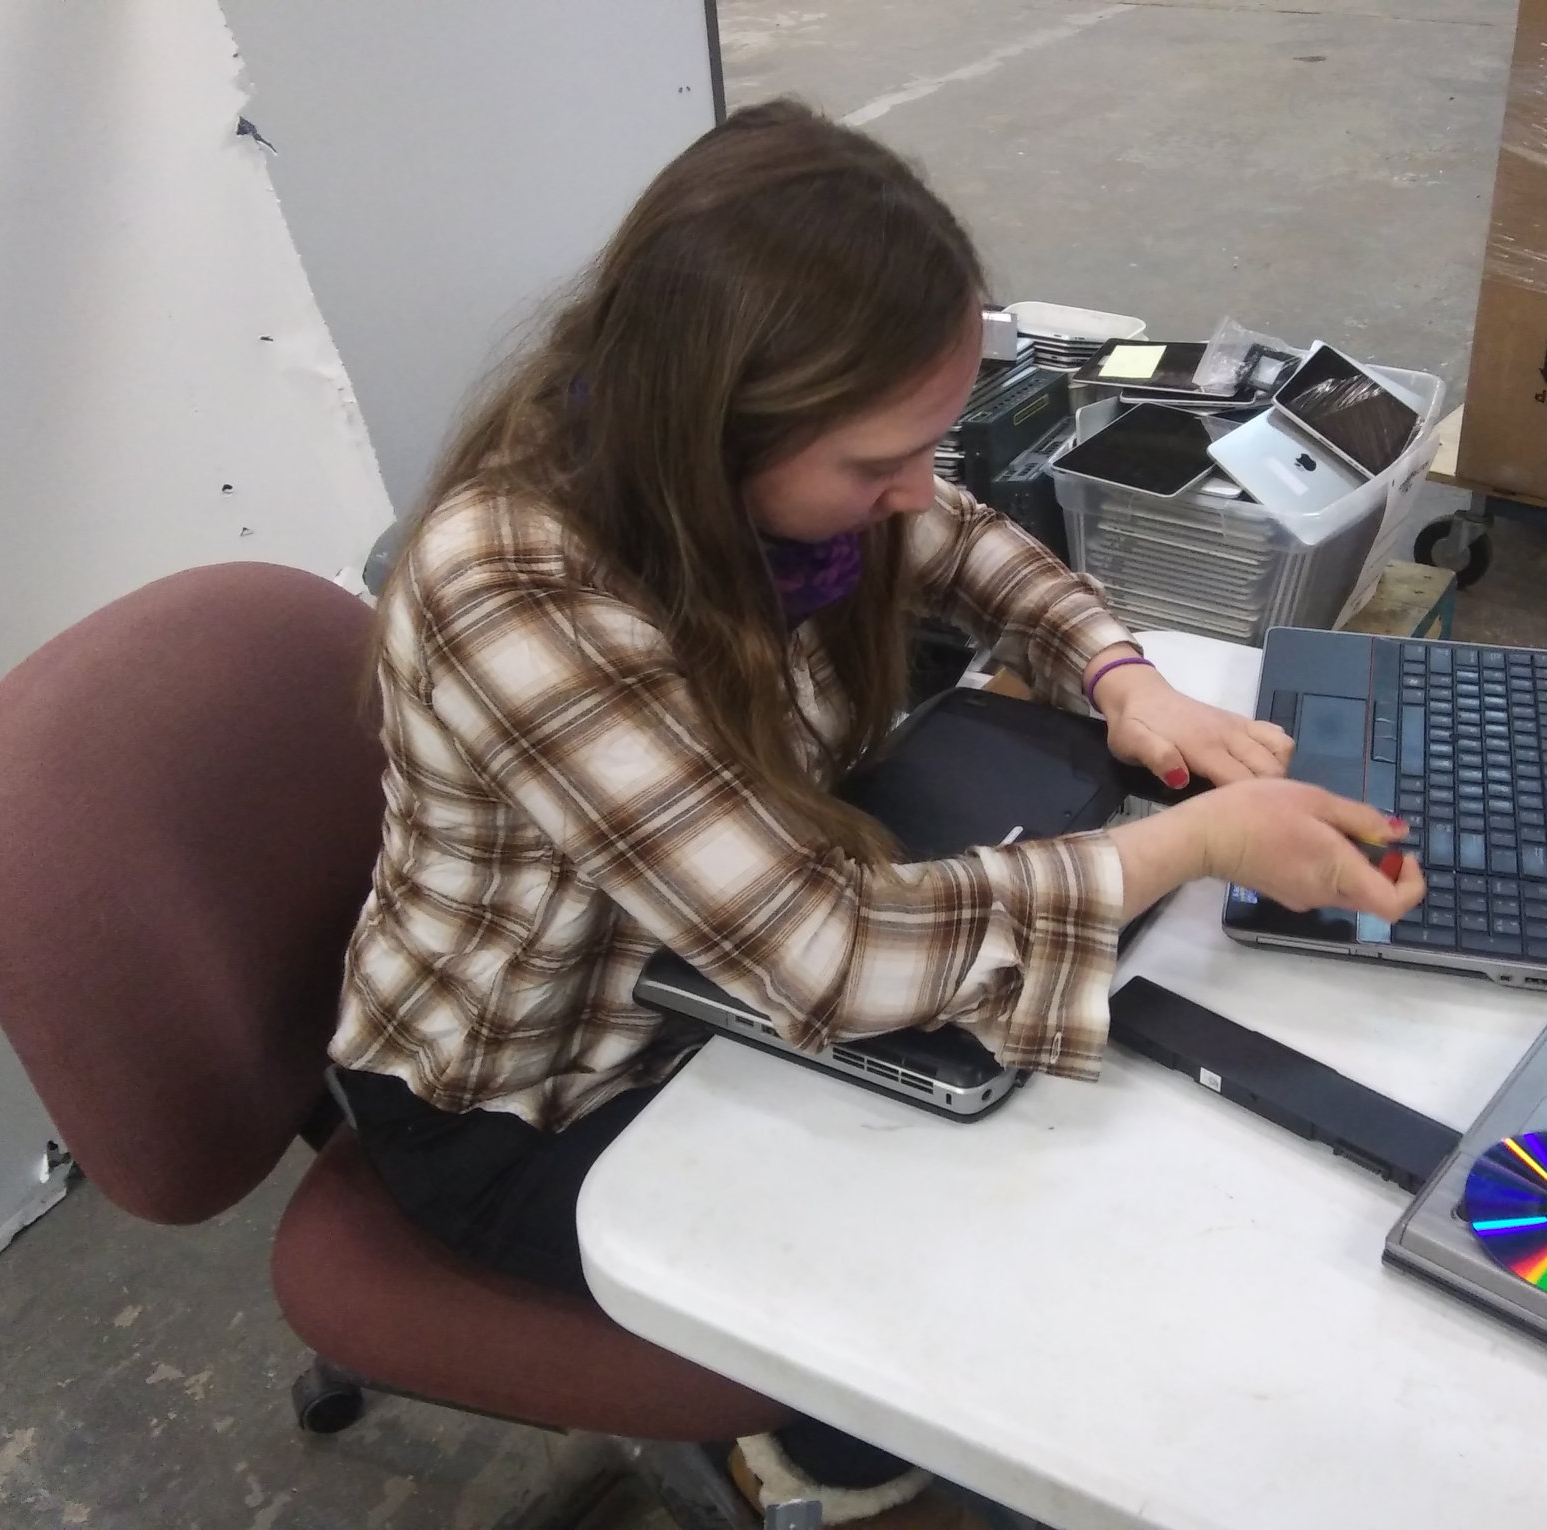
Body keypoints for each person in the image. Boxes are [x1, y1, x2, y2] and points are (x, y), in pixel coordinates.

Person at [327, 99, 1424, 1527]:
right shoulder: (517, 592)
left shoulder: (763, 496)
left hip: (697, 983)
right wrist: (1198, 841)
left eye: (926, 442)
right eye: (871, 465)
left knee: (1061, 1148)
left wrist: (1119, 673)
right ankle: (819, 1465)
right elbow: (830, 954)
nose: (914, 492)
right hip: (531, 1098)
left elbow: (962, 537)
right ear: (717, 418)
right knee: (965, 1262)